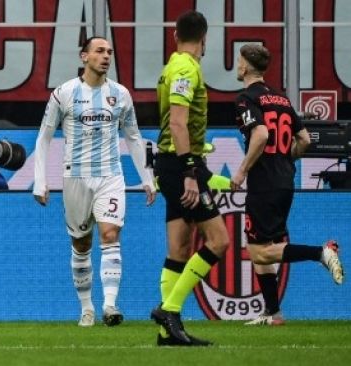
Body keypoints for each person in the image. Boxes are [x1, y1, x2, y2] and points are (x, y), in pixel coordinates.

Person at [33, 36, 156, 328]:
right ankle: (87, 308)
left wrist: (148, 178)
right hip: (75, 176)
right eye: (99, 51)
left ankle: (110, 305)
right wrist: (41, 181)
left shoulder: (121, 94)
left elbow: (134, 137)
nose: (106, 56)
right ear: (83, 56)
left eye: (109, 52)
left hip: (110, 175)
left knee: (111, 234)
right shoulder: (63, 93)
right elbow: (44, 138)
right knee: (81, 243)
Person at [231, 43, 344, 325]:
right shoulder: (282, 100)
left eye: (238, 61)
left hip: (264, 182)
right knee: (266, 248)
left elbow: (260, 135)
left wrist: (242, 170)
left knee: (260, 251)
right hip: (285, 178)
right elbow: (304, 140)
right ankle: (273, 313)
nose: (237, 66)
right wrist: (284, 156)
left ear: (245, 66)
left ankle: (321, 252)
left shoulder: (246, 98)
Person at [151, 10, 230, 346]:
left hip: (171, 163)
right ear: (205, 38)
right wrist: (190, 172)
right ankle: (170, 310)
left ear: (175, 35)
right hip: (179, 166)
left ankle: (167, 332)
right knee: (219, 240)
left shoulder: (173, 65)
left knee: (179, 248)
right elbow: (180, 123)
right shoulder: (185, 68)